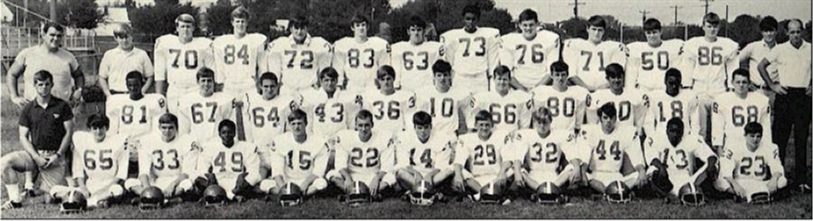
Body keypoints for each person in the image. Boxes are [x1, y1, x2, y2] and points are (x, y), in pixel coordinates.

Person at [1, 71, 75, 210]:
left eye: (47, 84)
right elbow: (23, 136)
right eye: (40, 84)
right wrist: (35, 157)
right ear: (34, 86)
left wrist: (57, 155)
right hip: (34, 155)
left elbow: (69, 133)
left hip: (54, 157)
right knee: (5, 163)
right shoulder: (28, 109)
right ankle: (15, 200)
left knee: (51, 199)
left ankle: (40, 189)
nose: (44, 88)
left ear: (52, 84)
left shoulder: (62, 106)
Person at [757, 18, 811, 192]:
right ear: (787, 33)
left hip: (803, 97)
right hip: (785, 96)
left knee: (801, 139)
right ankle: (777, 177)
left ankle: (801, 181)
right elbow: (761, 66)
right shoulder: (780, 49)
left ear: (802, 31)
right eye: (792, 32)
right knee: (780, 139)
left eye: (798, 31)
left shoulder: (810, 48)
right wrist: (773, 85)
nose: (795, 35)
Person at [681, 13, 740, 145]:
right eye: (709, 26)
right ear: (703, 26)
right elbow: (688, 67)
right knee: (699, 126)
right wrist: (687, 87)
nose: (712, 29)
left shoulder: (727, 44)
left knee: (719, 127)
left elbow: (732, 68)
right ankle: (701, 157)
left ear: (719, 27)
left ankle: (718, 157)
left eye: (715, 26)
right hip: (699, 88)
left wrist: (731, 88)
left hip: (718, 88)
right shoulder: (693, 44)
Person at [49, 114, 129, 209]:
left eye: (101, 128)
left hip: (109, 185)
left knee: (117, 190)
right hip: (90, 185)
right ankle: (95, 201)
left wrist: (105, 188)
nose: (98, 131)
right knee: (54, 190)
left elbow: (121, 175)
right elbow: (78, 171)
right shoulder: (83, 142)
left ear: (106, 128)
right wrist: (83, 188)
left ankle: (83, 202)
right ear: (89, 129)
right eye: (95, 128)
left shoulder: (116, 142)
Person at [238, 72, 302, 179]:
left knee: (284, 177)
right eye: (266, 86)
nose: (269, 89)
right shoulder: (251, 100)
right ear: (260, 86)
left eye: (272, 86)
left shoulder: (285, 101)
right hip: (259, 149)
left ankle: (268, 184)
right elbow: (247, 125)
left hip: (278, 149)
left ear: (277, 86)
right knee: (256, 177)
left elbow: (291, 125)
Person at [124, 113, 198, 204]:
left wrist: (172, 185)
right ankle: (164, 199)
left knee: (188, 183)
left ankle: (150, 199)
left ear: (176, 128)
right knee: (129, 182)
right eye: (164, 127)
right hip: (156, 181)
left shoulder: (184, 142)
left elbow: (186, 173)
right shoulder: (150, 142)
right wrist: (148, 190)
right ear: (159, 127)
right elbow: (143, 172)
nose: (167, 131)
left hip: (176, 181)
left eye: (171, 128)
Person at [105, 71, 167, 178]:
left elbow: (156, 129)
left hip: (145, 141)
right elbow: (113, 130)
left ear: (142, 84)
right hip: (125, 142)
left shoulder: (152, 101)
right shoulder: (117, 101)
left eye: (136, 85)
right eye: (130, 85)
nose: (133, 88)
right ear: (126, 85)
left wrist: (146, 142)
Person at [6, 22, 84, 107]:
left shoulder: (69, 57)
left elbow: (79, 75)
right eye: (52, 35)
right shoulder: (27, 54)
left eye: (59, 36)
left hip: (61, 109)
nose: (55, 38)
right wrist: (15, 97)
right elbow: (12, 74)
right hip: (34, 109)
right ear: (43, 35)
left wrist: (79, 90)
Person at [512, 107, 584, 195]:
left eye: (545, 122)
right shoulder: (526, 135)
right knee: (520, 170)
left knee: (572, 168)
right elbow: (518, 156)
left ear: (550, 121)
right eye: (539, 122)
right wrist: (517, 172)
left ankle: (543, 190)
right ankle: (547, 189)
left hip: (554, 176)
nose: (542, 126)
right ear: (534, 122)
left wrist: (576, 167)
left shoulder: (559, 134)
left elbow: (571, 153)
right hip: (533, 174)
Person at [329, 110, 398, 200]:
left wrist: (376, 178)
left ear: (372, 125)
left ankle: (352, 193)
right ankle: (370, 195)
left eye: (366, 125)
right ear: (356, 126)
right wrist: (347, 177)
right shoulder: (346, 137)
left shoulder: (382, 138)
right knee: (332, 175)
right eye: (360, 125)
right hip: (353, 175)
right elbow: (340, 164)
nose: (363, 129)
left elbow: (386, 166)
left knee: (391, 177)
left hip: (373, 176)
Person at [579, 103, 648, 193]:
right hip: (595, 176)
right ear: (600, 119)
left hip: (616, 176)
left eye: (611, 118)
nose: (608, 121)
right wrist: (583, 173)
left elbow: (636, 157)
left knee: (637, 175)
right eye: (605, 117)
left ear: (615, 118)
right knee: (578, 172)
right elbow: (584, 158)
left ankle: (609, 191)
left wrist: (642, 171)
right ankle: (616, 191)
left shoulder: (623, 133)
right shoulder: (592, 132)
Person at [262, 110, 331, 198]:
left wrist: (305, 184)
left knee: (322, 183)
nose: (296, 127)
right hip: (287, 180)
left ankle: (290, 194)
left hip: (308, 181)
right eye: (293, 124)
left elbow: (318, 172)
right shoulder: (280, 141)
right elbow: (277, 171)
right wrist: (284, 187)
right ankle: (294, 193)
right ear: (289, 125)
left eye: (299, 123)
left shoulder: (318, 141)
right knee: (264, 184)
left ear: (306, 124)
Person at [154, 14, 215, 113]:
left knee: (196, 121)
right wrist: (159, 96)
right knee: (175, 120)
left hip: (195, 88)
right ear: (177, 28)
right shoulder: (166, 43)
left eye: (188, 26)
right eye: (182, 26)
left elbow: (212, 72)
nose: (185, 30)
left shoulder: (203, 45)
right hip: (175, 89)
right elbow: (159, 73)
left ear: (193, 28)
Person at [452, 110, 515, 204]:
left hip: (496, 178)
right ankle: (491, 193)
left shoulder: (501, 136)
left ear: (492, 125)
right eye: (481, 125)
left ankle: (479, 195)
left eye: (487, 125)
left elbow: (508, 159)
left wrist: (502, 173)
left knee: (514, 170)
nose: (484, 128)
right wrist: (458, 175)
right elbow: (458, 161)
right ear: (475, 125)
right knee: (457, 171)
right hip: (476, 179)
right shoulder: (467, 138)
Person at [646, 118, 717, 200]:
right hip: (667, 178)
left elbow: (711, 156)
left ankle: (693, 189)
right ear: (666, 131)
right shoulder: (658, 139)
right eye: (672, 131)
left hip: (687, 178)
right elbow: (651, 158)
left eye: (678, 132)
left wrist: (710, 166)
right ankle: (668, 194)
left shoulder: (691, 140)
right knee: (653, 170)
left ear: (683, 132)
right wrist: (661, 167)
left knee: (713, 164)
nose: (675, 135)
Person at [717, 122, 788, 202]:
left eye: (758, 136)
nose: (755, 139)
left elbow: (777, 167)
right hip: (741, 183)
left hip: (760, 182)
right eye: (752, 136)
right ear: (745, 136)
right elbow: (725, 171)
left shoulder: (769, 147)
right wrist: (735, 185)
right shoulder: (734, 147)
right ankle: (763, 196)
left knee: (782, 180)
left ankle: (743, 196)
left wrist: (773, 179)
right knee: (720, 181)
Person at [440, 5, 501, 94]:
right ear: (463, 19)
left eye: (473, 19)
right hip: (461, 78)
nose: (470, 22)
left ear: (478, 20)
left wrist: (491, 83)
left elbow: (492, 62)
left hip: (480, 78)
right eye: (468, 19)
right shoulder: (454, 37)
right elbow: (449, 61)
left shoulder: (488, 36)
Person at [196, 119, 262, 202]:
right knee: (198, 179)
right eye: (224, 132)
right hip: (217, 181)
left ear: (234, 133)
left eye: (230, 132)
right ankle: (233, 196)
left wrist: (244, 178)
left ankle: (218, 196)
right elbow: (201, 169)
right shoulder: (211, 147)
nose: (227, 135)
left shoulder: (246, 147)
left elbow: (254, 171)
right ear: (219, 134)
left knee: (255, 179)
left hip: (237, 183)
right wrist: (209, 176)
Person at [262, 15, 332, 92]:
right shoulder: (280, 44)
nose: (299, 32)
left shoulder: (318, 44)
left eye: (302, 28)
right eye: (296, 28)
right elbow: (275, 70)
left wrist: (320, 88)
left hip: (310, 89)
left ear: (307, 28)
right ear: (291, 29)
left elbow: (324, 70)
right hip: (287, 89)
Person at [394, 111, 456, 198]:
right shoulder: (405, 138)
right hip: (413, 175)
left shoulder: (441, 138)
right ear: (414, 127)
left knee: (449, 171)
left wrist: (429, 175)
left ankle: (415, 190)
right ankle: (432, 191)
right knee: (400, 172)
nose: (423, 131)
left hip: (433, 176)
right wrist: (416, 173)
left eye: (426, 127)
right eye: (419, 128)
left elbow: (441, 166)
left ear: (431, 127)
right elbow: (404, 164)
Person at [711, 69, 772, 157]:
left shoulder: (761, 100)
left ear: (749, 83)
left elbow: (766, 128)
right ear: (732, 82)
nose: (741, 85)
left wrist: (767, 148)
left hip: (753, 144)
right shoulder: (722, 100)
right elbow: (718, 127)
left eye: (744, 82)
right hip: (732, 143)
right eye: (738, 82)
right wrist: (719, 148)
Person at [212, 6, 268, 98]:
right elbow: (219, 65)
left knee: (249, 110)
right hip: (229, 83)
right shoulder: (222, 41)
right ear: (232, 22)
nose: (240, 24)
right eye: (237, 21)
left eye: (243, 21)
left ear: (247, 23)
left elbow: (262, 64)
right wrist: (220, 82)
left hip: (248, 83)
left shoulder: (255, 40)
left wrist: (261, 82)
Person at [499, 9, 560, 91]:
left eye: (531, 25)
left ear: (537, 24)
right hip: (517, 87)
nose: (528, 28)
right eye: (525, 25)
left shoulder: (550, 39)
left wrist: (537, 89)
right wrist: (522, 90)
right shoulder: (508, 40)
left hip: (543, 86)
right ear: (519, 25)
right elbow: (507, 72)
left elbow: (551, 71)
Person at [563, 15, 626, 93]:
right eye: (594, 29)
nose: (596, 33)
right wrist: (585, 87)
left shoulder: (612, 47)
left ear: (604, 31)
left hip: (605, 91)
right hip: (580, 90)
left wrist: (601, 88)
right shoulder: (575, 45)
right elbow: (571, 72)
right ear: (587, 29)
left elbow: (617, 73)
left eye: (600, 30)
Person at [332, 14, 391, 92]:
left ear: (367, 27)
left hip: (372, 87)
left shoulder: (378, 44)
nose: (361, 28)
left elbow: (384, 67)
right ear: (352, 27)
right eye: (358, 25)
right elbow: (338, 69)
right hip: (351, 87)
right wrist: (339, 87)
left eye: (363, 25)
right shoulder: (343, 44)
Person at [174, 68, 234, 143]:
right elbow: (184, 131)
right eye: (203, 80)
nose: (206, 84)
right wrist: (190, 143)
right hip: (196, 142)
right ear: (197, 82)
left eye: (209, 80)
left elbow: (228, 125)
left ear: (213, 82)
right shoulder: (187, 100)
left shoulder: (224, 100)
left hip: (216, 142)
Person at [625, 18, 685, 92]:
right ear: (645, 33)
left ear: (660, 32)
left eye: (654, 32)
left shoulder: (671, 47)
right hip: (644, 88)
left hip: (663, 89)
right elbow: (632, 71)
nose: (652, 35)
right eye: (649, 33)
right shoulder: (636, 48)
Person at [531, 61, 590, 135]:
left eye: (563, 75)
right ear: (552, 75)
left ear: (567, 75)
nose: (560, 78)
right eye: (557, 75)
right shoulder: (542, 92)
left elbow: (579, 120)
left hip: (568, 134)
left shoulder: (577, 92)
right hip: (549, 134)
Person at [468, 65, 533, 132]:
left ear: (509, 80)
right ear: (494, 79)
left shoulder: (519, 97)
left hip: (512, 136)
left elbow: (524, 125)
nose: (502, 82)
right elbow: (474, 121)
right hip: (492, 136)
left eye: (505, 79)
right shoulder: (484, 97)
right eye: (499, 79)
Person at [414, 60, 470, 136]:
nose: (442, 78)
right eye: (439, 75)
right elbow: (421, 117)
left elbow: (467, 112)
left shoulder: (459, 93)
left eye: (445, 75)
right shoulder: (425, 93)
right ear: (434, 76)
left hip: (451, 133)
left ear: (450, 76)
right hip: (432, 134)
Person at [390, 16, 445, 91]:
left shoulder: (433, 47)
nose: (416, 33)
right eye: (413, 30)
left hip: (427, 87)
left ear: (424, 31)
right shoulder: (398, 48)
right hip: (406, 87)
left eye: (419, 30)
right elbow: (396, 68)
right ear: (408, 31)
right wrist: (396, 85)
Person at [643, 68, 700, 142]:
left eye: (677, 83)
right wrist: (653, 138)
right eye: (671, 83)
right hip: (661, 137)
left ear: (681, 83)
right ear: (665, 82)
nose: (674, 86)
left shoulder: (689, 96)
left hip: (683, 137)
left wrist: (692, 138)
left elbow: (695, 122)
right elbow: (648, 123)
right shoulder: (655, 97)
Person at [98, 23, 154, 97]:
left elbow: (150, 76)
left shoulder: (141, 54)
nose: (124, 40)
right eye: (121, 37)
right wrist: (108, 95)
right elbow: (102, 77)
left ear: (132, 37)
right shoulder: (109, 55)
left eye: (127, 37)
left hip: (135, 96)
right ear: (116, 38)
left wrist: (142, 92)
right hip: (115, 95)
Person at [586, 63, 647, 130]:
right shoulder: (599, 96)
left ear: (623, 77)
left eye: (619, 77)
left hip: (627, 134)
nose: (617, 80)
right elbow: (593, 122)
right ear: (607, 78)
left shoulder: (633, 94)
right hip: (607, 135)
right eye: (613, 77)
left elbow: (639, 120)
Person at [359, 65, 416, 133]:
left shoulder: (404, 96)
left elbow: (408, 118)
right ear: (378, 81)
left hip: (397, 133)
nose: (386, 82)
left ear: (393, 79)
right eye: (382, 79)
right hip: (377, 134)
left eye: (388, 79)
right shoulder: (370, 97)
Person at [738, 16, 779, 99]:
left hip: (774, 94)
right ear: (761, 32)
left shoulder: (781, 49)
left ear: (776, 31)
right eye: (765, 31)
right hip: (755, 91)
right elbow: (734, 61)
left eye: (771, 30)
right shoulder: (753, 47)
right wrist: (747, 82)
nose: (768, 34)